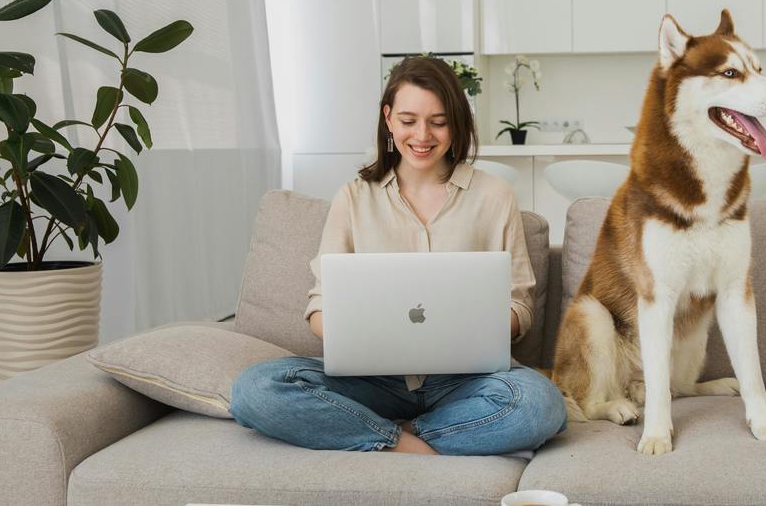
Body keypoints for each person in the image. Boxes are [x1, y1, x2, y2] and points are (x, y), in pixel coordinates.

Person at [230, 56, 567, 455]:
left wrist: (475, 323)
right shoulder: (353, 197)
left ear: (456, 123)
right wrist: (362, 330)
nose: (422, 135)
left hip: (465, 380)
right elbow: (319, 311)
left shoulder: (494, 196)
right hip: (372, 379)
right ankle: (406, 442)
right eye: (408, 121)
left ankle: (386, 432)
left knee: (539, 406)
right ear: (388, 119)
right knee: (255, 388)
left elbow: (520, 308)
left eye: (438, 122)